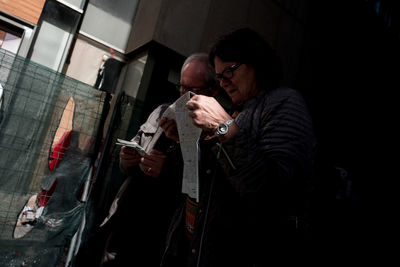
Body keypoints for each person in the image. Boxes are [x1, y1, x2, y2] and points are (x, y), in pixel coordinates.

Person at [160, 28, 317, 267]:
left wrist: (223, 126)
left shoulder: (285, 102)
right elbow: (201, 185)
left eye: (229, 71)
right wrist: (183, 139)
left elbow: (272, 192)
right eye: (220, 76)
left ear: (256, 63)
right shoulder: (237, 112)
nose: (223, 83)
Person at [99, 53, 220, 267]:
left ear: (213, 91)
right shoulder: (162, 112)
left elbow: (201, 192)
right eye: (181, 87)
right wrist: (127, 160)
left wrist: (170, 170)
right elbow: (128, 164)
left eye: (193, 91)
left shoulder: (213, 131)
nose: (184, 97)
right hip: (125, 225)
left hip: (160, 241)